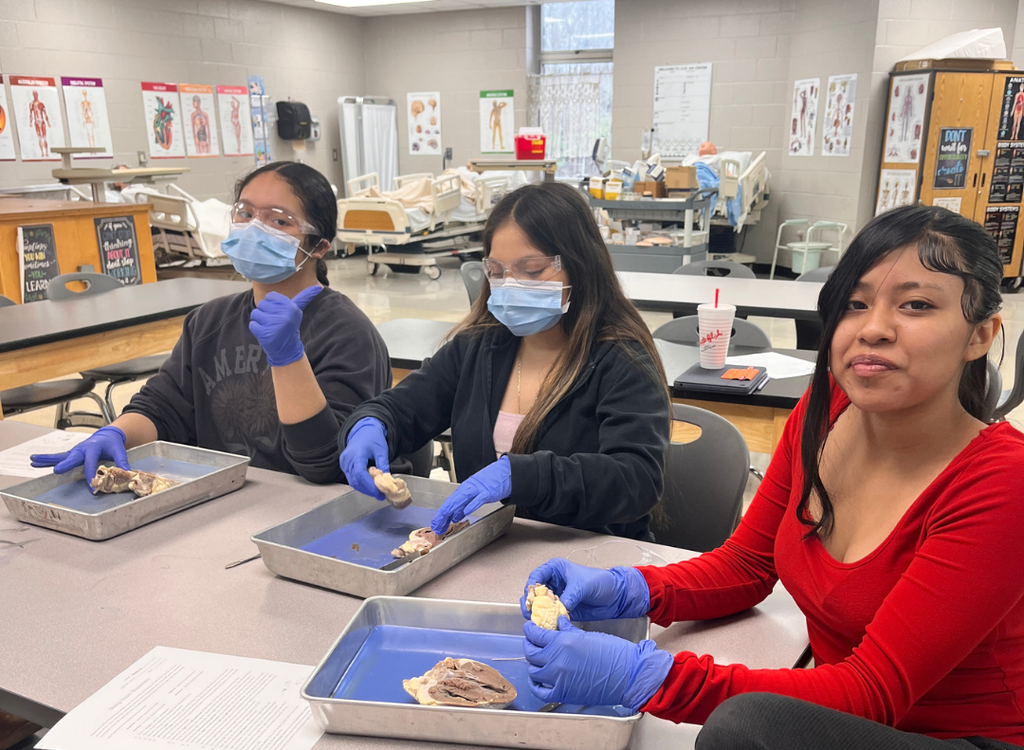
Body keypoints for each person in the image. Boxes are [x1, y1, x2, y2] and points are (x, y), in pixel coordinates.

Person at [520, 204, 1024, 750]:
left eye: (917, 304)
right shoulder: (822, 420)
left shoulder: (1000, 481)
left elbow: (868, 696)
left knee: (752, 741)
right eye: (855, 304)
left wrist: (655, 677)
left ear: (981, 334)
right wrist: (634, 589)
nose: (874, 329)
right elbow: (747, 566)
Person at [338, 181, 670, 540]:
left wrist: (523, 477)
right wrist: (369, 426)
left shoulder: (621, 359)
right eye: (497, 272)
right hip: (492, 550)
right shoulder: (480, 347)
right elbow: (404, 408)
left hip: (593, 562)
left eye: (532, 270)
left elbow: (636, 479)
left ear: (579, 266)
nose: (510, 286)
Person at [32, 161, 392, 486]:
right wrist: (115, 434)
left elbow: (326, 465)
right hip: (220, 498)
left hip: (307, 512)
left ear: (318, 247)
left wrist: (288, 358)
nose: (254, 229)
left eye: (278, 221)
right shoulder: (208, 322)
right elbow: (162, 408)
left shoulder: (347, 334)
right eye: (245, 213)